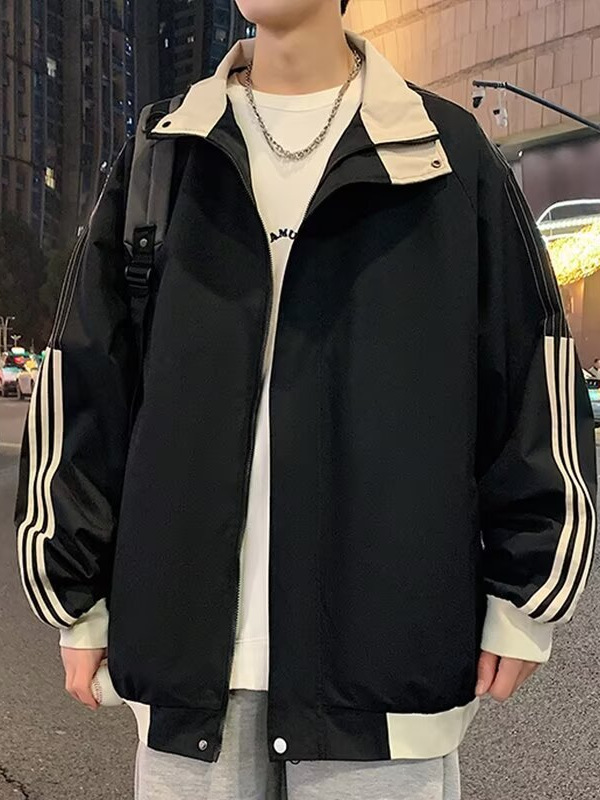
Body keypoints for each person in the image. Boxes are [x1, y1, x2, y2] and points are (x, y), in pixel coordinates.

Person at [15, 1, 597, 798]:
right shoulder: (164, 152)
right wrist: (74, 593)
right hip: (189, 672)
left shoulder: (445, 155)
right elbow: (87, 384)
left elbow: (532, 373)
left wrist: (527, 596)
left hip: (383, 670)